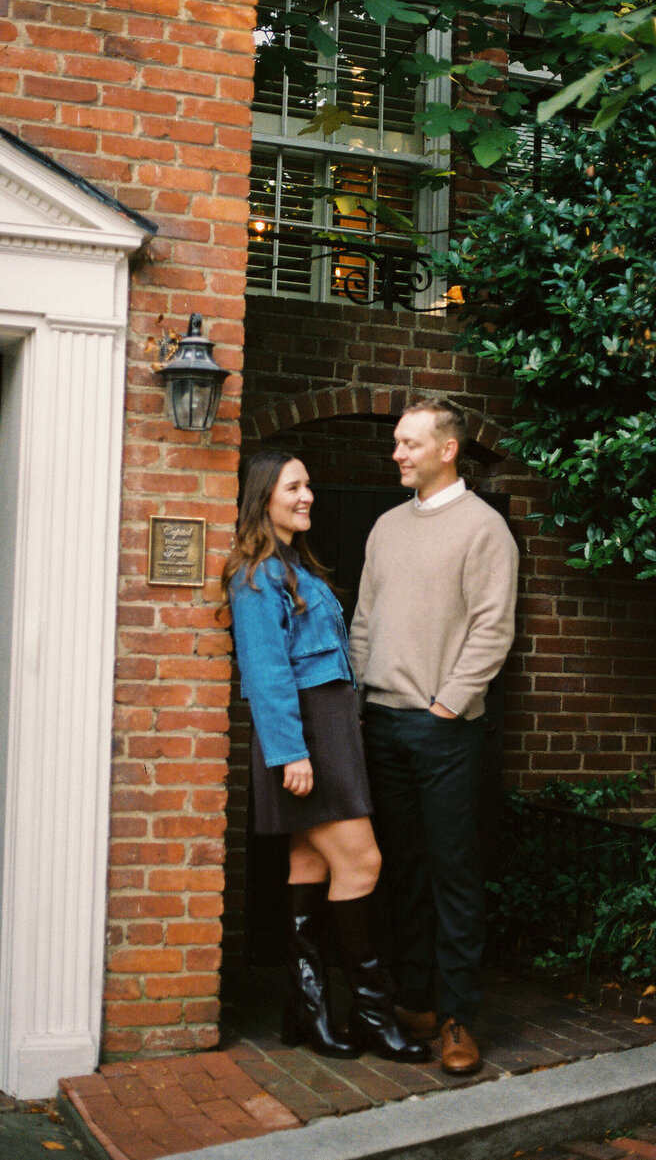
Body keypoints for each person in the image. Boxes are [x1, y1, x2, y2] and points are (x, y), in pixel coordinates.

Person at [222, 450, 427, 1063]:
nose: (308, 495)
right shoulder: (256, 575)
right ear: (265, 497)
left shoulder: (294, 567)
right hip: (305, 733)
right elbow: (266, 671)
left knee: (311, 863)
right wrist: (291, 752)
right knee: (363, 862)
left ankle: (304, 1008)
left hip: (328, 727)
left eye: (309, 484)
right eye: (295, 486)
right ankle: (370, 1013)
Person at [349, 397, 519, 1076]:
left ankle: (457, 1017)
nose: (397, 452)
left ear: (447, 448)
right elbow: (364, 617)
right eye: (397, 442)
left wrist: (448, 703)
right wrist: (364, 692)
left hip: (443, 728)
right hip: (383, 721)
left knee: (453, 872)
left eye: (409, 442)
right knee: (405, 868)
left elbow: (492, 627)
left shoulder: (484, 530)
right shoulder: (387, 526)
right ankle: (415, 1000)